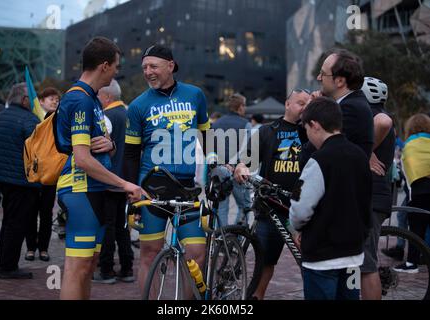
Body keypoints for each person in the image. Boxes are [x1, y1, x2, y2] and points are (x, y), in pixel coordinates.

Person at [56, 36, 141, 300]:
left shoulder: (92, 100)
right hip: (81, 190)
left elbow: (95, 148)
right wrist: (124, 183)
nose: (117, 71)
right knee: (77, 269)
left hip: (94, 191)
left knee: (88, 266)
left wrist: (110, 145)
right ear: (104, 65)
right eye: (115, 66)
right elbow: (81, 158)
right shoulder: (80, 99)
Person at [123, 44, 210, 295]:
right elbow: (130, 154)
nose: (148, 72)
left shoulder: (195, 95)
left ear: (170, 66)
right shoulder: (138, 105)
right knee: (149, 254)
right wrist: (131, 189)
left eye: (153, 66)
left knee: (196, 253)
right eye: (144, 68)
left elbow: (208, 135)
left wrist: (215, 166)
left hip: (186, 189)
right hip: (151, 189)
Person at [289, 97, 372, 300]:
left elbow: (300, 210)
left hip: (322, 256)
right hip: (353, 253)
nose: (307, 136)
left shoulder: (318, 160)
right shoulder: (360, 156)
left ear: (315, 125)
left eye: (306, 129)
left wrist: (296, 228)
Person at [234, 88, 310, 299]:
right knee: (265, 262)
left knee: (309, 262)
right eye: (300, 103)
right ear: (287, 104)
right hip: (270, 207)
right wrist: (241, 168)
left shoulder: (313, 130)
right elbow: (246, 160)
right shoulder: (269, 131)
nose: (305, 108)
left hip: (304, 208)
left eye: (308, 104)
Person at [0, 83, 40, 279]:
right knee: (17, 222)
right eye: (32, 99)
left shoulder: (3, 115)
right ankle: (8, 266)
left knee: (8, 220)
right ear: (24, 100)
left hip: (1, 177)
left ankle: (2, 261)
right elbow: (37, 150)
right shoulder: (28, 119)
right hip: (19, 179)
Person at [93, 79, 135, 284]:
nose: (96, 99)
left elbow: (100, 149)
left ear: (107, 97)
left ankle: (107, 270)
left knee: (108, 226)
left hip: (109, 180)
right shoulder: (129, 115)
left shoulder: (106, 117)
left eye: (98, 95)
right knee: (122, 226)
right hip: (126, 180)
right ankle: (127, 268)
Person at [359, 77, 396, 300]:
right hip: (372, 197)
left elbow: (383, 120)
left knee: (366, 265)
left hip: (371, 198)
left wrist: (365, 150)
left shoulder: (373, 117)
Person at [305, 48, 373, 162]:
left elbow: (314, 152)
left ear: (340, 81)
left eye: (323, 74)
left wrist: (312, 111)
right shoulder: (352, 104)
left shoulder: (350, 109)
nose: (318, 78)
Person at [23, 87, 62, 262]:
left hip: (50, 173)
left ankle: (43, 248)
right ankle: (31, 247)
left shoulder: (58, 120)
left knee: (46, 213)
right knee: (30, 212)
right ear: (40, 101)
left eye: (56, 99)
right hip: (33, 173)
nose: (54, 101)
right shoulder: (33, 120)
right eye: (50, 98)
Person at [393, 113, 430, 273]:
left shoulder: (409, 146)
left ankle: (411, 264)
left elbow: (408, 174)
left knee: (416, 229)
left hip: (419, 191)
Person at [211, 93, 252, 226]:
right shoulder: (245, 124)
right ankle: (236, 238)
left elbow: (210, 149)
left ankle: (221, 240)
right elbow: (248, 150)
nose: (245, 108)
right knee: (245, 206)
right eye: (244, 105)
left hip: (219, 170)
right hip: (237, 171)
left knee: (222, 208)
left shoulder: (216, 123)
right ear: (240, 107)